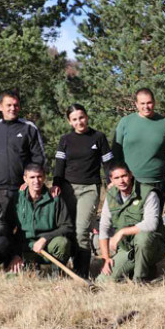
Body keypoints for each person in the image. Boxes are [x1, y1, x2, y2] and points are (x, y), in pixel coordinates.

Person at [52, 103, 113, 278]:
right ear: (70, 122)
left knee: (81, 231)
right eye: (75, 119)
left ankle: (81, 274)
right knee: (66, 229)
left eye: (82, 117)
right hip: (67, 189)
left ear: (86, 116)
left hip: (89, 189)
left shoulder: (98, 137)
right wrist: (56, 184)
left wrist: (110, 182)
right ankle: (61, 271)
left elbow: (108, 163)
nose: (79, 122)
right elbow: (59, 165)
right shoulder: (65, 140)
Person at [0, 91, 46, 227]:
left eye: (16, 105)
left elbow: (39, 158)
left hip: (23, 189)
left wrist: (30, 182)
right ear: (0, 107)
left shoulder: (29, 128)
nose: (12, 108)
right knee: (0, 231)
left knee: (26, 229)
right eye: (8, 105)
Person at [111, 88, 165, 206]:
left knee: (154, 223)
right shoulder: (125, 122)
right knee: (130, 222)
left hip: (157, 183)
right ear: (136, 104)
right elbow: (115, 153)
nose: (146, 106)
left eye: (149, 103)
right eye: (142, 103)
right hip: (130, 184)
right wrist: (115, 179)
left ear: (154, 102)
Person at [97, 162, 165, 283]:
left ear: (131, 175)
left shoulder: (148, 193)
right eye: (116, 178)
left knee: (143, 237)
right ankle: (143, 271)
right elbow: (104, 226)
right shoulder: (111, 196)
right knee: (103, 281)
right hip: (128, 248)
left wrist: (122, 232)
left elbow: (151, 224)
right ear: (111, 180)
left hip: (152, 246)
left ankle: (140, 280)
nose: (121, 181)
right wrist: (106, 257)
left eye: (124, 176)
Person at [10, 164, 75, 274]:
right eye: (32, 177)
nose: (36, 181)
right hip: (25, 247)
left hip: (47, 247)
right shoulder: (17, 199)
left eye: (39, 177)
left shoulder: (55, 199)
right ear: (25, 179)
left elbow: (67, 226)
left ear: (44, 177)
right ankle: (30, 267)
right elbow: (8, 227)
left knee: (62, 242)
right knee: (12, 278)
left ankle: (56, 274)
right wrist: (15, 254)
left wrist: (45, 238)